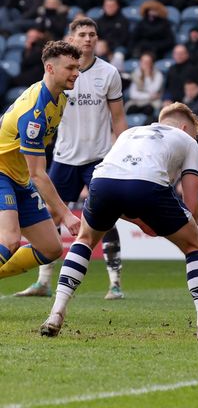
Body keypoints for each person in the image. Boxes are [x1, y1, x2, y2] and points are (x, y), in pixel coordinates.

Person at [39, 102, 198, 341]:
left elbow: (121, 186)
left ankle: (56, 313)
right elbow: (191, 200)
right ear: (186, 126)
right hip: (147, 184)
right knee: (195, 246)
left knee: (84, 240)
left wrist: (140, 220)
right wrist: (188, 223)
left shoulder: (130, 133)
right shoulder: (187, 141)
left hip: (103, 182)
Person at [16, 18, 128, 299]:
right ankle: (43, 282)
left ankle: (115, 283)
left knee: (106, 216)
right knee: (50, 215)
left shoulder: (109, 73)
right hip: (64, 157)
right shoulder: (62, 74)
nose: (88, 39)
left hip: (98, 158)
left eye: (92, 34)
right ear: (72, 38)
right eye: (82, 34)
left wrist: (121, 155)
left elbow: (118, 120)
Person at [0, 40, 82, 281]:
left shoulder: (61, 99)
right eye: (70, 68)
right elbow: (38, 174)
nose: (76, 73)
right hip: (2, 173)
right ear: (50, 68)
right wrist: (66, 214)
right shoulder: (34, 113)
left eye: (77, 67)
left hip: (19, 178)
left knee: (51, 248)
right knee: (10, 239)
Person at [125, 52, 164, 117]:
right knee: (131, 109)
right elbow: (133, 94)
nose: (145, 64)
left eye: (147, 62)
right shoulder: (136, 74)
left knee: (148, 109)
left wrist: (147, 75)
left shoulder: (158, 74)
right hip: (137, 102)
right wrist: (149, 96)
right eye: (143, 62)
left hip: (151, 103)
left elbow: (153, 90)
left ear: (152, 63)